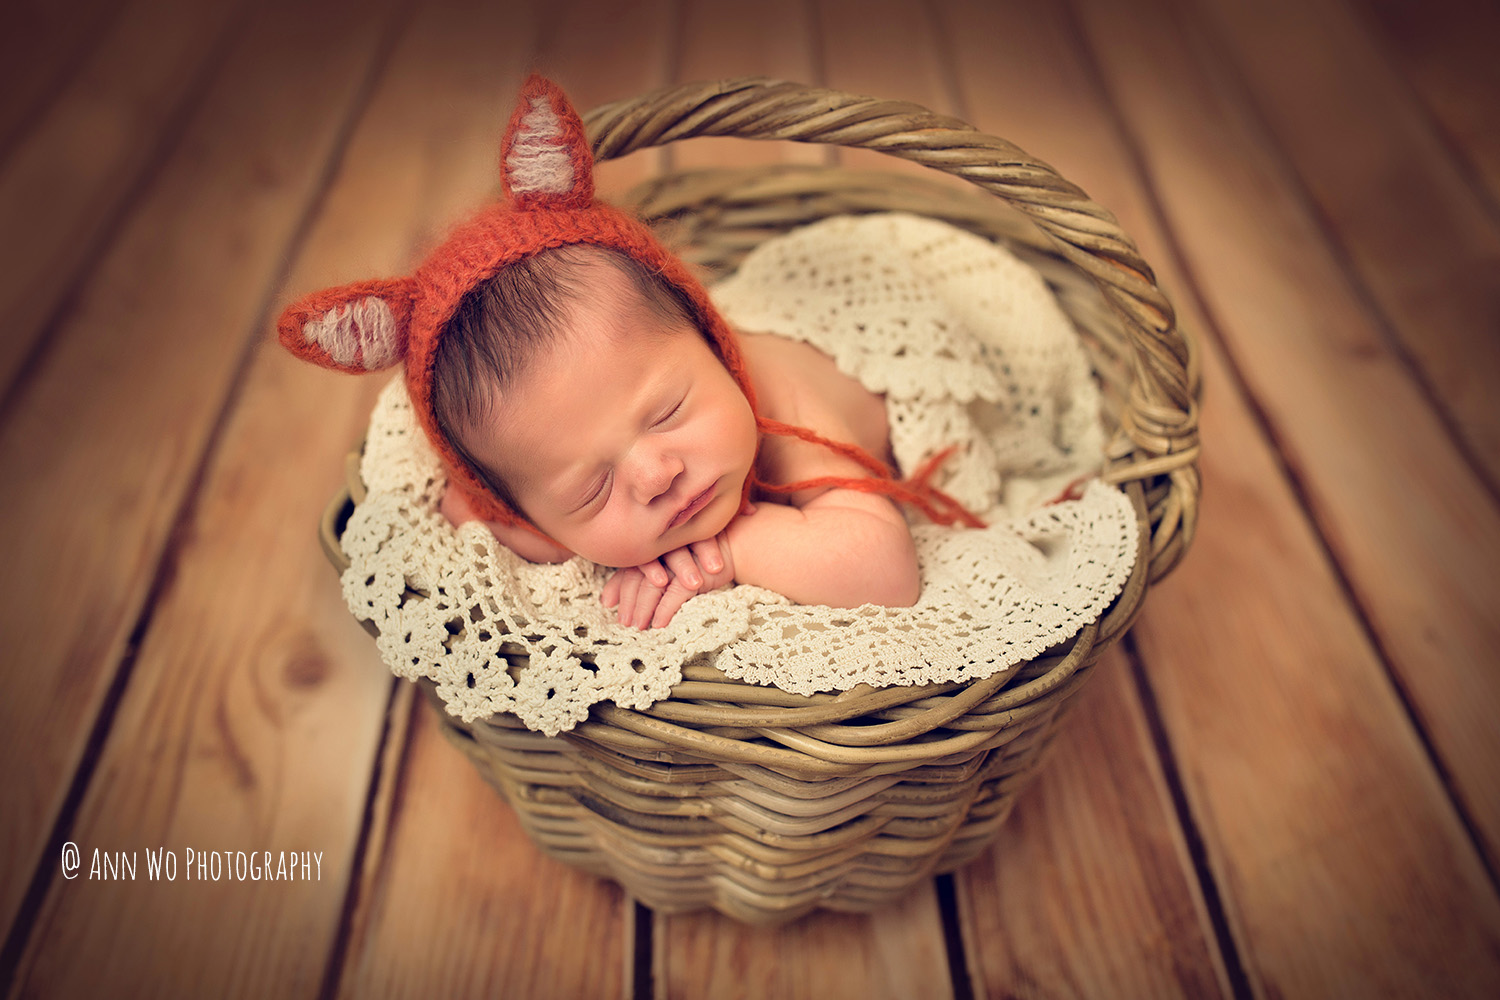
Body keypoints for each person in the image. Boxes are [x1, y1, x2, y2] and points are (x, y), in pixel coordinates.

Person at [277, 74, 979, 631]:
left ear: (710, 341)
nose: (654, 474)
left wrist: (733, 551)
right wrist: (546, 532)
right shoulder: (548, 480)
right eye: (591, 489)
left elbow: (887, 576)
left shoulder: (779, 406)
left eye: (669, 411)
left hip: (884, 348)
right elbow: (485, 519)